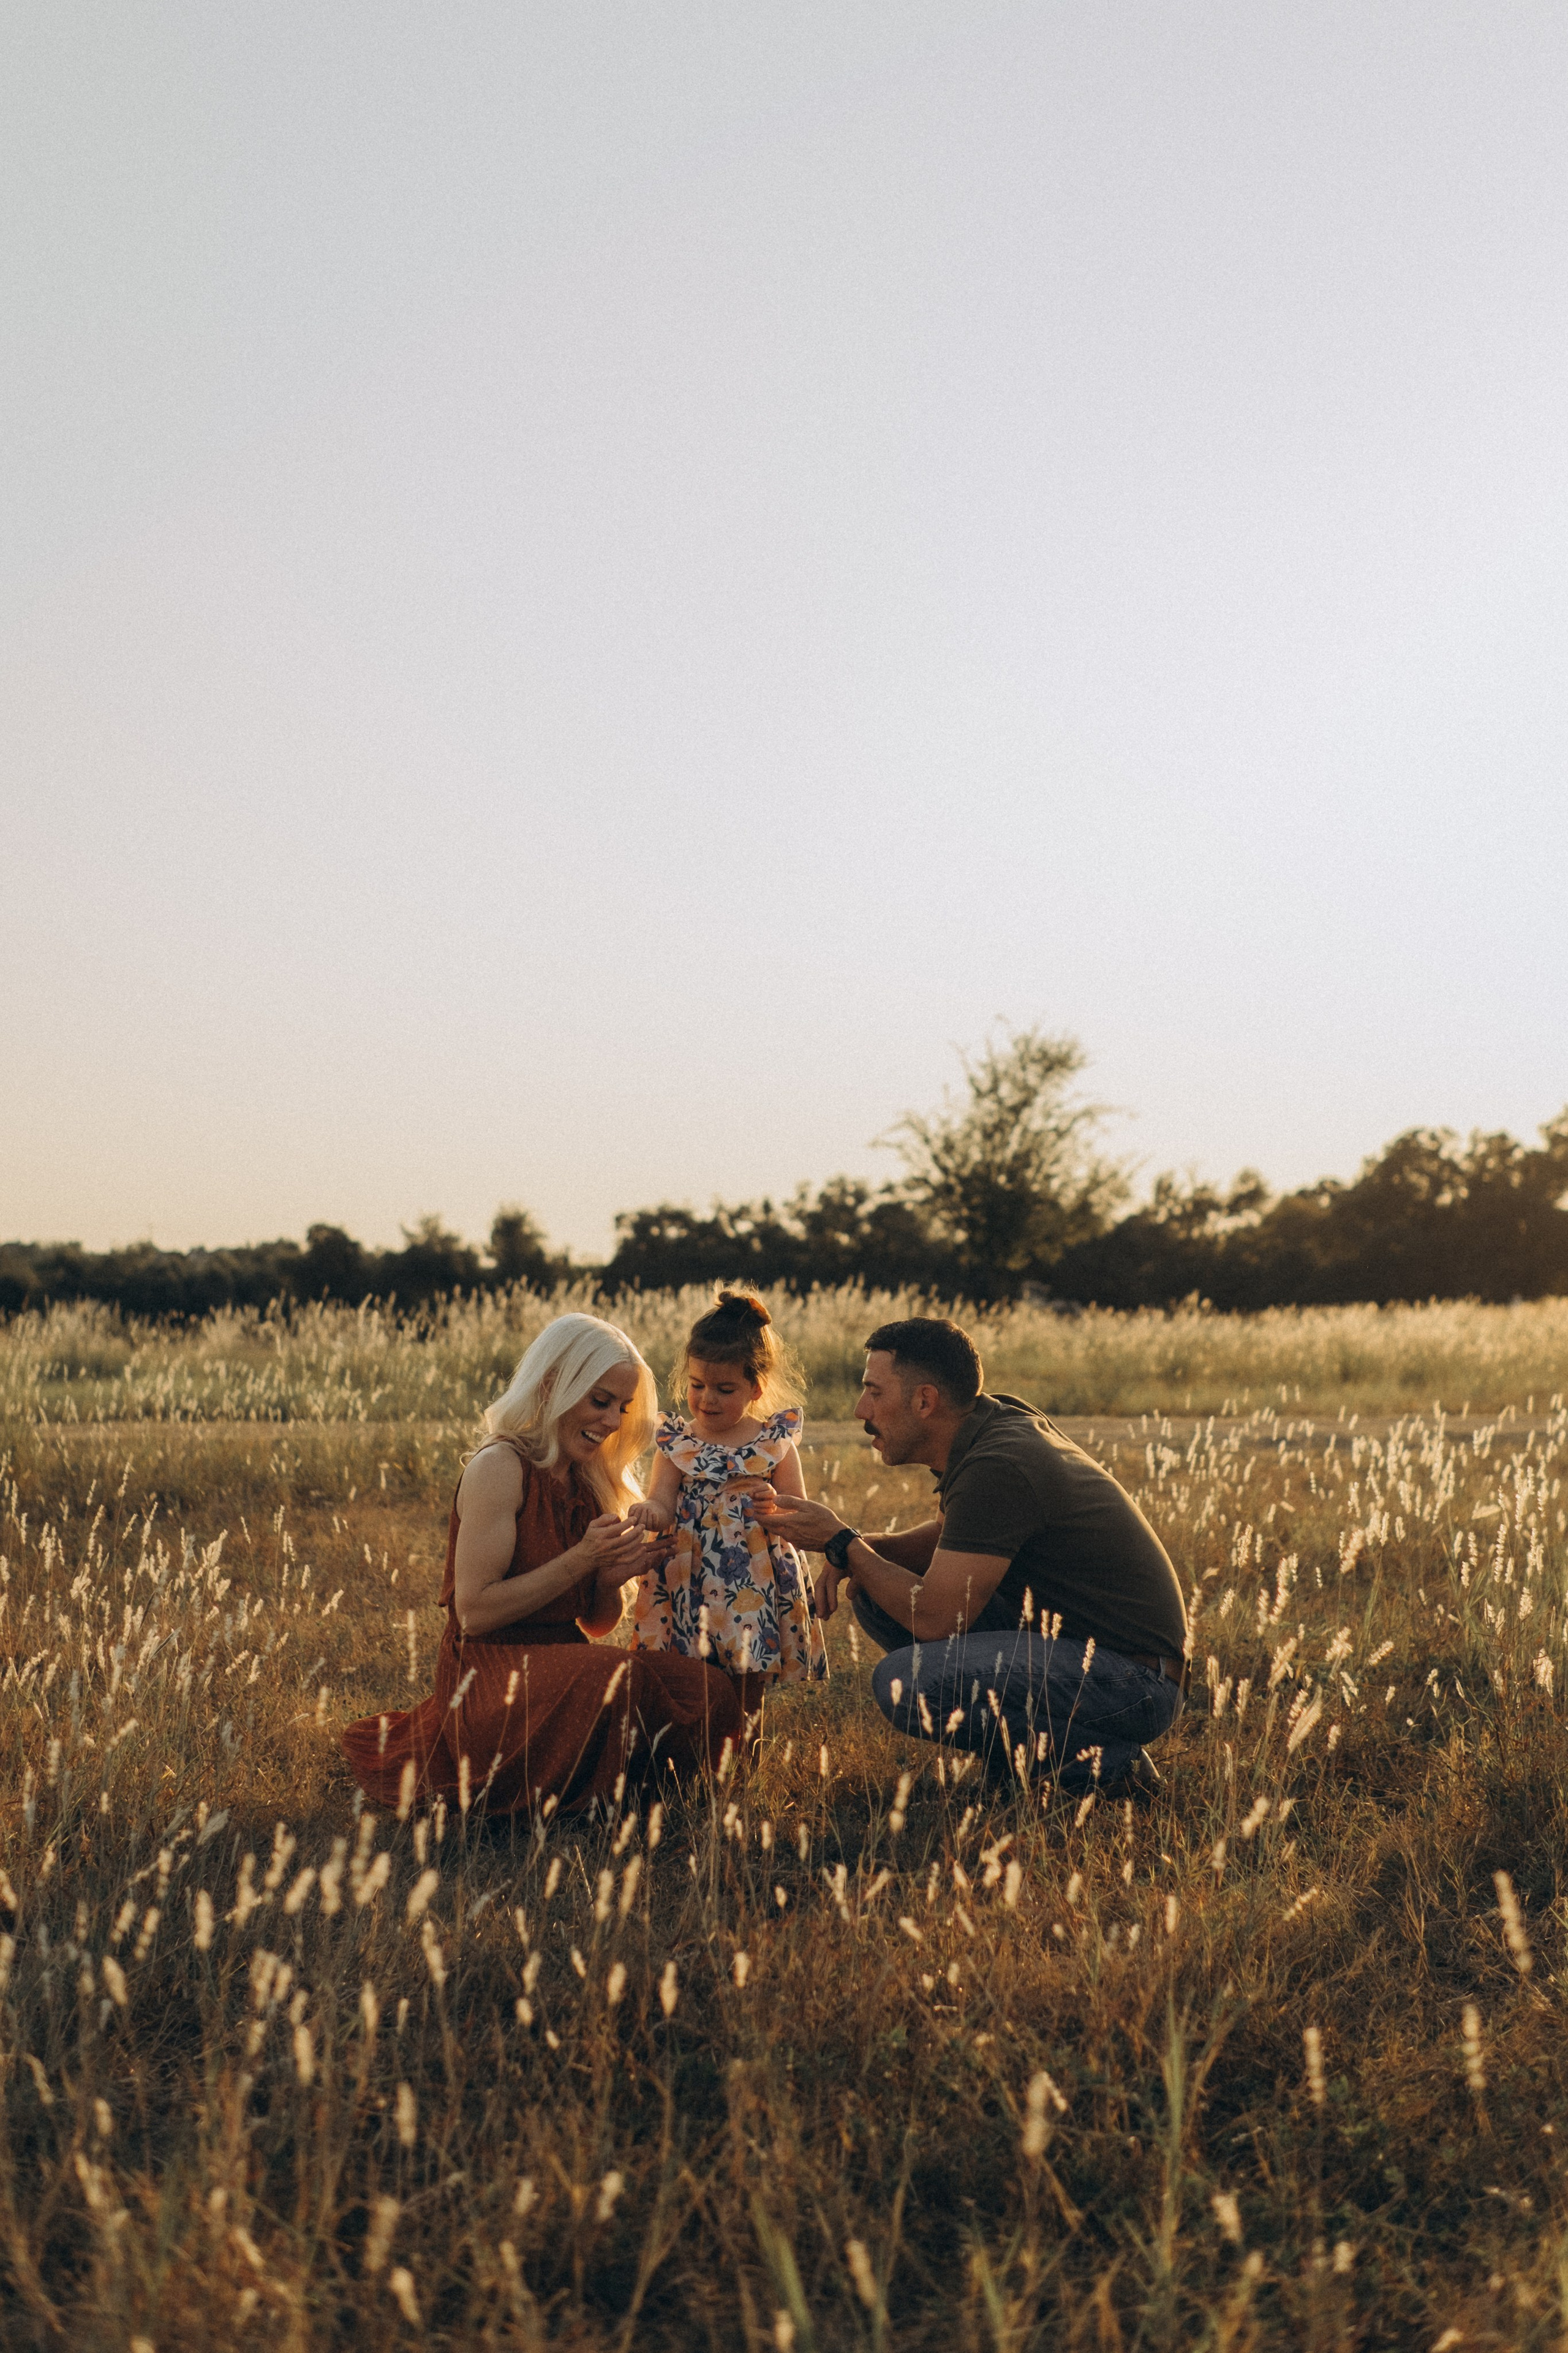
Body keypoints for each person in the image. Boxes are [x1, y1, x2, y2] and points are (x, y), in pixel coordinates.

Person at [760, 1317, 1188, 1796]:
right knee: (875, 1591)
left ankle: (1105, 1764)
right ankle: (1030, 1759)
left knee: (905, 1682)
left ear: (924, 1401)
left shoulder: (998, 1465)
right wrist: (862, 1549)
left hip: (1134, 1682)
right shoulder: (990, 1427)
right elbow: (947, 1539)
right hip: (1090, 1656)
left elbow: (939, 1619)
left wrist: (844, 1543)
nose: (862, 1408)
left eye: (874, 1392)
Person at [341, 1314, 744, 1819]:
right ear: (553, 1384)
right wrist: (582, 1559)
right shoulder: (500, 1467)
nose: (613, 1422)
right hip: (490, 1674)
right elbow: (474, 1613)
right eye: (600, 1401)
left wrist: (607, 1578)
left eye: (622, 1407)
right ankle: (591, 1806)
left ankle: (628, 1790)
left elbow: (596, 1624)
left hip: (564, 1665)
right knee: (615, 1675)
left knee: (705, 1688)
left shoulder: (591, 1478)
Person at [627, 1290, 826, 1709]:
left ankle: (745, 1760)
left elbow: (800, 1511)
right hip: (688, 1574)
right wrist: (650, 1512)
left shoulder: (773, 1442)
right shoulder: (678, 1443)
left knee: (747, 1681)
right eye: (697, 1385)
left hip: (753, 1578)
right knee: (693, 1678)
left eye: (724, 1388)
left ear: (756, 1387)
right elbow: (662, 1500)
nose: (707, 1398)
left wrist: (772, 1499)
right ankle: (698, 1756)